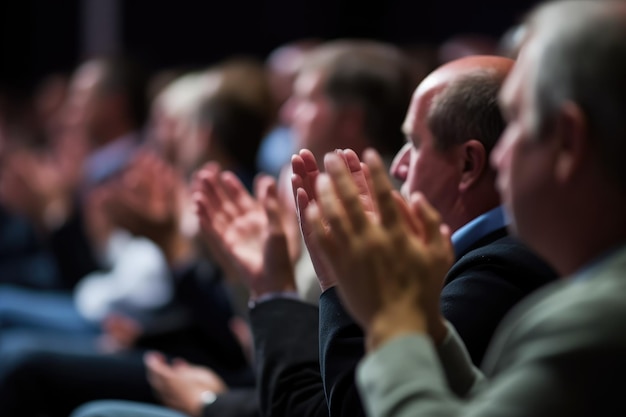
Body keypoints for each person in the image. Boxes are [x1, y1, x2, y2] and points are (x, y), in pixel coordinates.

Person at [304, 1, 626, 416]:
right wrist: (427, 326)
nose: (501, 154)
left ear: (567, 141)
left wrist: (392, 323)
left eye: (517, 121)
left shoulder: (596, 321)